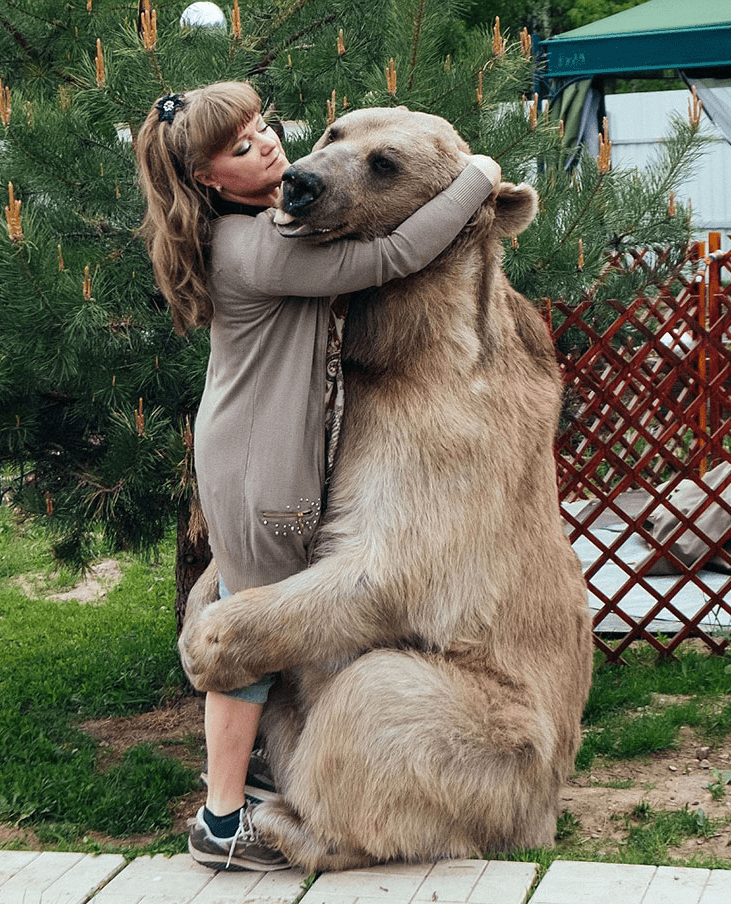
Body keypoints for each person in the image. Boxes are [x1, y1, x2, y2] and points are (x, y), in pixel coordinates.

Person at [135, 81, 501, 872]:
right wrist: (480, 177)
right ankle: (222, 820)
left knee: (250, 613)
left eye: (263, 129)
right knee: (245, 640)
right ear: (206, 180)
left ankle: (248, 780)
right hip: (262, 464)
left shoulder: (257, 228)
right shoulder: (262, 248)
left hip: (244, 447)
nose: (270, 147)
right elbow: (397, 254)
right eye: (239, 148)